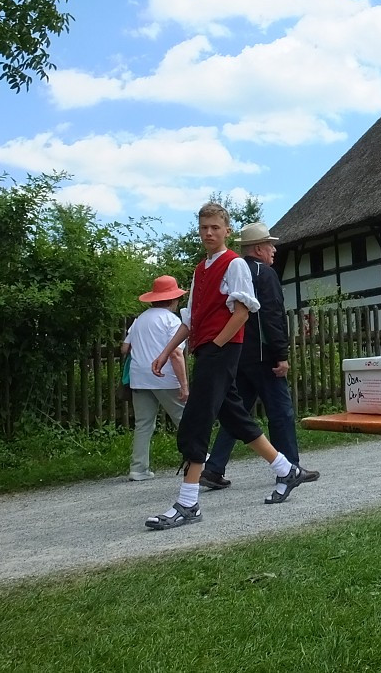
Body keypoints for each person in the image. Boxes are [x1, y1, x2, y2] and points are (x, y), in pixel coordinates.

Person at [144, 203, 319, 530]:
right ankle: (286, 470)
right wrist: (167, 352)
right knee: (235, 416)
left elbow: (243, 312)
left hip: (219, 350)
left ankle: (188, 502)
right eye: (203, 228)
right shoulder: (201, 270)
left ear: (227, 231)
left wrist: (217, 346)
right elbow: (191, 319)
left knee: (195, 421)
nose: (209, 233)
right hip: (207, 348)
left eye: (215, 227)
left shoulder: (234, 264)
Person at [200, 222, 315, 490]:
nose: (274, 250)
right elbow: (272, 316)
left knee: (237, 415)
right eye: (271, 245)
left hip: (237, 355)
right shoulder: (265, 273)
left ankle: (214, 468)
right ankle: (291, 468)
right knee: (281, 413)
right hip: (264, 356)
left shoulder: (232, 270)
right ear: (260, 248)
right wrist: (281, 354)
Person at [122, 276, 189, 481]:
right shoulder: (171, 320)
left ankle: (138, 469)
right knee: (185, 420)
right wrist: (184, 385)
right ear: (172, 299)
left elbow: (125, 348)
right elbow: (176, 354)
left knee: (143, 423)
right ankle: (197, 461)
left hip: (139, 377)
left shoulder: (140, 319)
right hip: (164, 378)